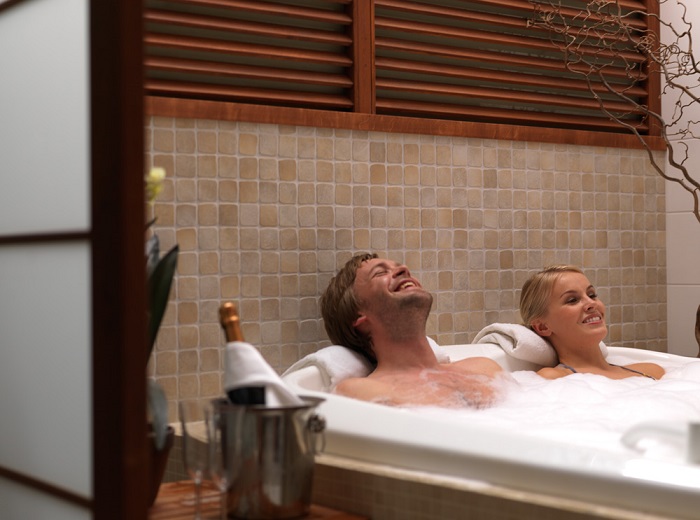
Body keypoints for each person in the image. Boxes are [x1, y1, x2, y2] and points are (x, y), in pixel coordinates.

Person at [320, 252, 505, 408]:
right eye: (380, 273)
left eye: (398, 266)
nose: (404, 269)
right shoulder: (362, 393)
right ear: (359, 318)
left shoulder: (485, 369)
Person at [519, 265, 665, 380]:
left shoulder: (651, 371)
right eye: (572, 300)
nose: (592, 303)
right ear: (542, 326)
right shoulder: (554, 379)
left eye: (592, 295)